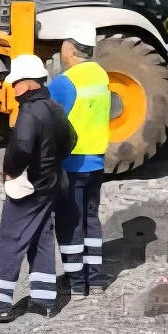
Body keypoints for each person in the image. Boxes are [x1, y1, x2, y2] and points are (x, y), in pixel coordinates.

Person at [0, 54, 71, 322]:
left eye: (15, 83)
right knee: (40, 237)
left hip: (29, 186)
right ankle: (43, 300)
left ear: (28, 83)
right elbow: (70, 140)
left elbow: (20, 150)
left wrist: (10, 172)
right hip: (51, 184)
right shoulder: (54, 107)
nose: (12, 88)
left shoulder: (29, 112)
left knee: (9, 238)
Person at [46, 26, 110, 294]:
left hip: (71, 164)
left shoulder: (64, 82)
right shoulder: (100, 75)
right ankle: (94, 279)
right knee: (90, 218)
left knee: (70, 222)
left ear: (71, 49)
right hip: (96, 161)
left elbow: (45, 118)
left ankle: (75, 283)